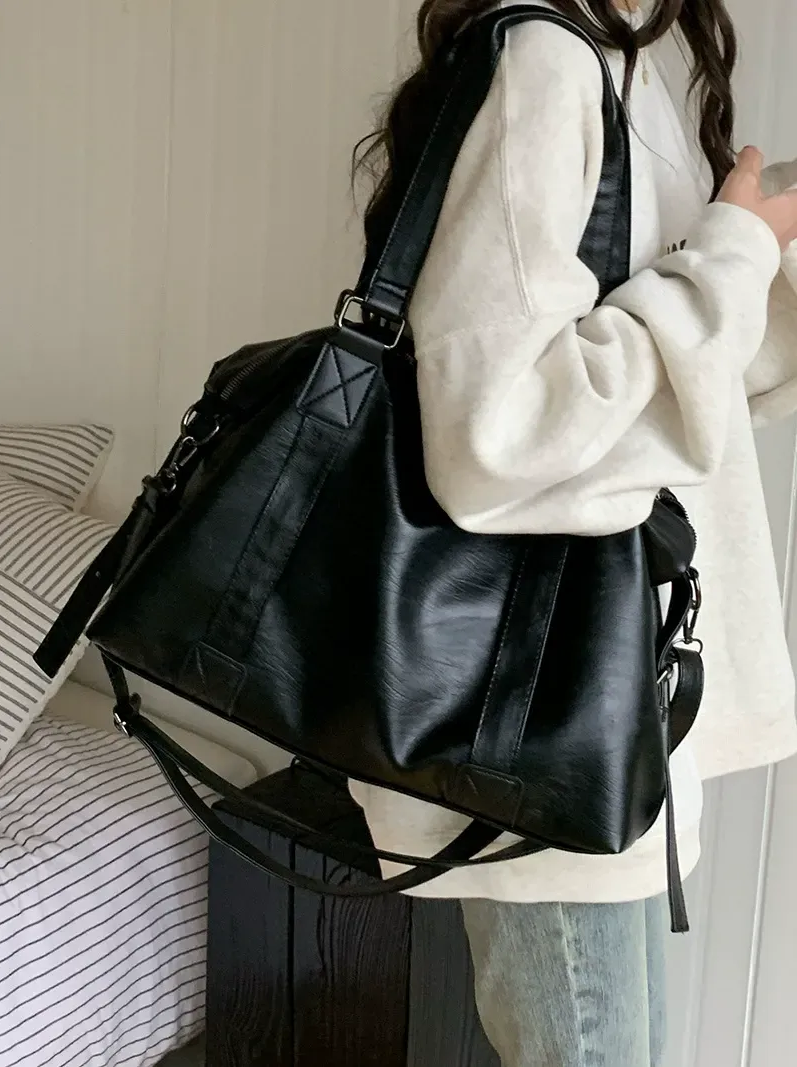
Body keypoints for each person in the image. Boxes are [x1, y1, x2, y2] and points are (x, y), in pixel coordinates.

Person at [349, 0, 797, 1064]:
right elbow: (497, 431)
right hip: (545, 704)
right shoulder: (547, 60)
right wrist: (731, 255)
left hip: (609, 691)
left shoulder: (626, 59)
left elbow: (649, 404)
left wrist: (753, 265)